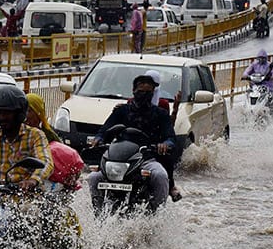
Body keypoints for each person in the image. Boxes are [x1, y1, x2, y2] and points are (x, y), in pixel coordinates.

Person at [88, 71, 177, 211]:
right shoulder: (121, 111)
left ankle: (157, 214)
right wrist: (98, 139)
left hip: (146, 159)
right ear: (134, 91)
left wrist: (165, 144)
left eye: (149, 92)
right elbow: (104, 130)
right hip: (118, 159)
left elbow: (171, 138)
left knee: (160, 175)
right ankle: (97, 213)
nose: (144, 95)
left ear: (154, 93)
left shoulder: (161, 114)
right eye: (141, 91)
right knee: (94, 177)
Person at [25, 93, 85, 194]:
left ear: (38, 113)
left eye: (29, 111)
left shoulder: (47, 135)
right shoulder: (16, 134)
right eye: (23, 111)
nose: (25, 116)